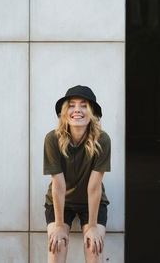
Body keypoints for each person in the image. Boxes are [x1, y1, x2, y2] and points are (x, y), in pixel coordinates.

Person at [43, 85, 111, 263]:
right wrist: (58, 226)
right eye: (71, 105)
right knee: (57, 245)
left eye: (83, 105)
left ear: (91, 112)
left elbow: (94, 186)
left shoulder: (102, 140)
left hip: (92, 204)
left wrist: (93, 227)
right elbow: (58, 185)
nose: (77, 110)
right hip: (60, 203)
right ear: (65, 111)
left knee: (93, 246)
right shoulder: (52, 139)